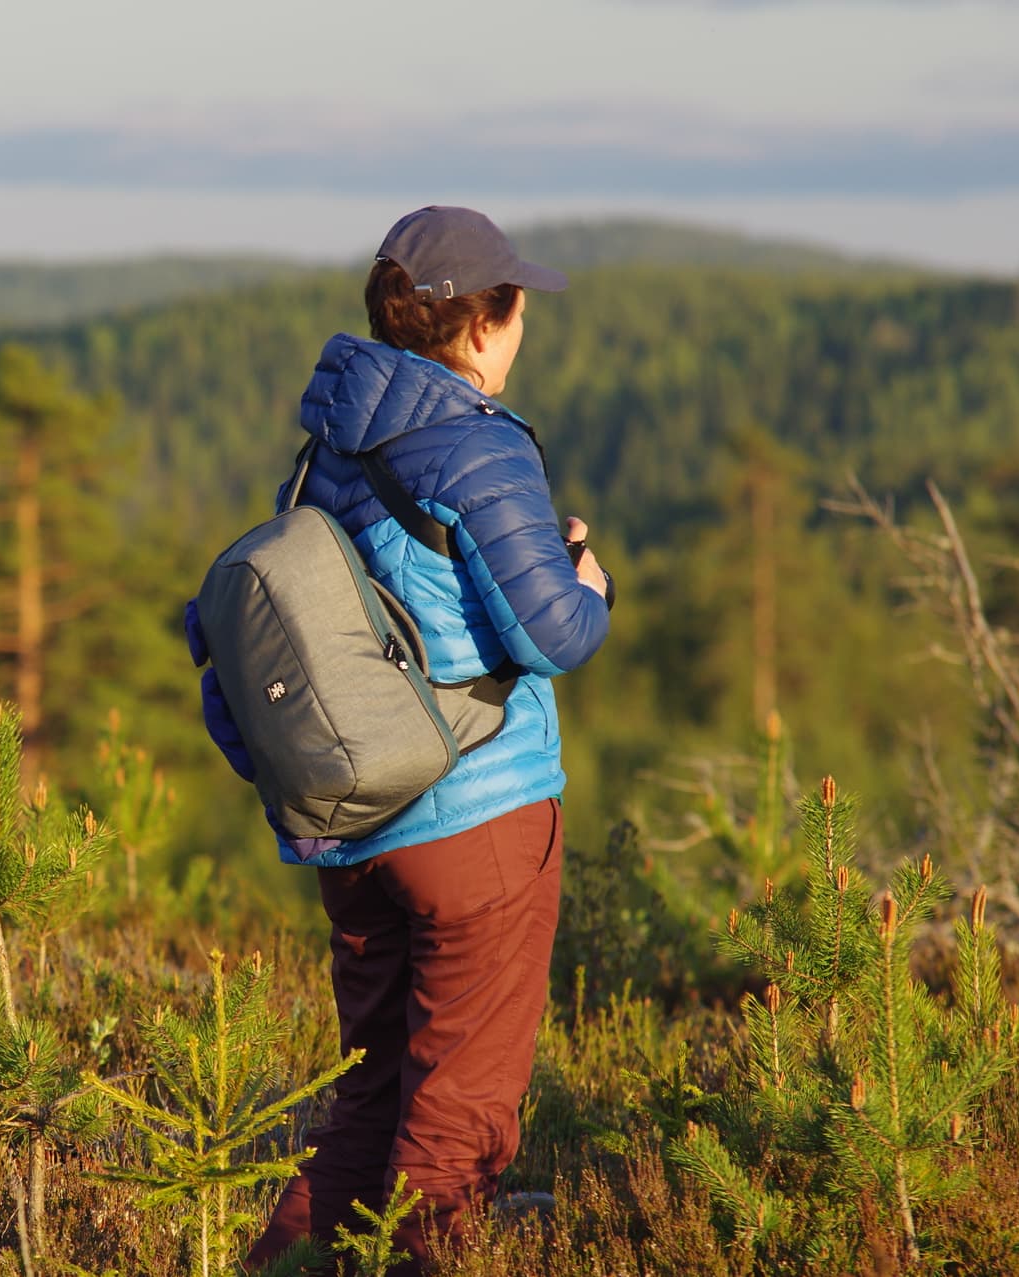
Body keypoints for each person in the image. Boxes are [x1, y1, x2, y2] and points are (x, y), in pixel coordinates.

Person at [237, 207, 611, 1272]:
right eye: (517, 302)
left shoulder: (325, 451)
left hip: (358, 829)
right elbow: (551, 633)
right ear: (485, 323)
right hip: (479, 819)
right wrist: (592, 580)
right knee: (457, 1116)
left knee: (371, 1096)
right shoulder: (478, 442)